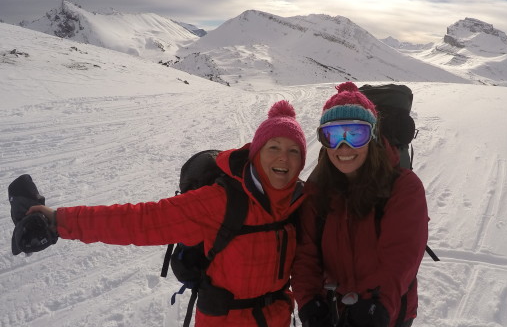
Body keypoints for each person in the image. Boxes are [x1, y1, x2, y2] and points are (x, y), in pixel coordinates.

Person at [23, 100, 308, 327]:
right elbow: (141, 221)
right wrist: (58, 221)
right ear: (256, 153)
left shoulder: (299, 200)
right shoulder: (220, 201)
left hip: (279, 319)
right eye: (274, 147)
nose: (284, 158)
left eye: (294, 151)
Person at [291, 82, 429, 327]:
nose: (344, 147)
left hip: (386, 312)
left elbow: (400, 257)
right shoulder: (317, 190)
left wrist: (377, 305)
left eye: (356, 134)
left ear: (373, 136)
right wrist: (310, 302)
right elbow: (305, 254)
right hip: (331, 310)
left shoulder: (403, 187)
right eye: (332, 135)